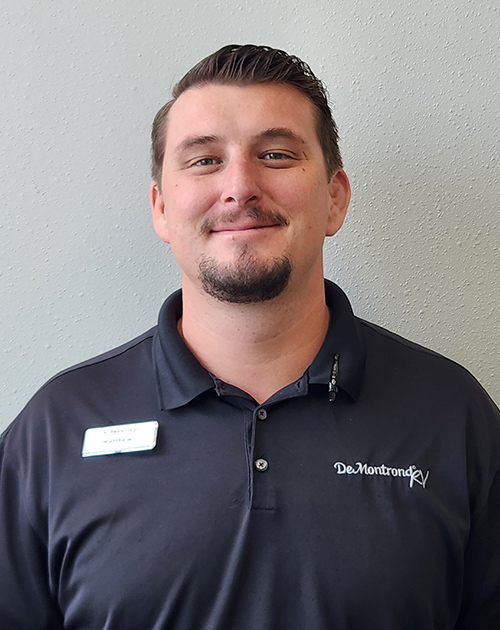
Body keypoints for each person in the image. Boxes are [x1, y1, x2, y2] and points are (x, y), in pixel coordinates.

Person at [1, 44, 499, 630]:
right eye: (204, 161)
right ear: (161, 209)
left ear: (335, 198)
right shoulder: (56, 431)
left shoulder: (453, 418)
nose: (240, 186)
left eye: (276, 154)